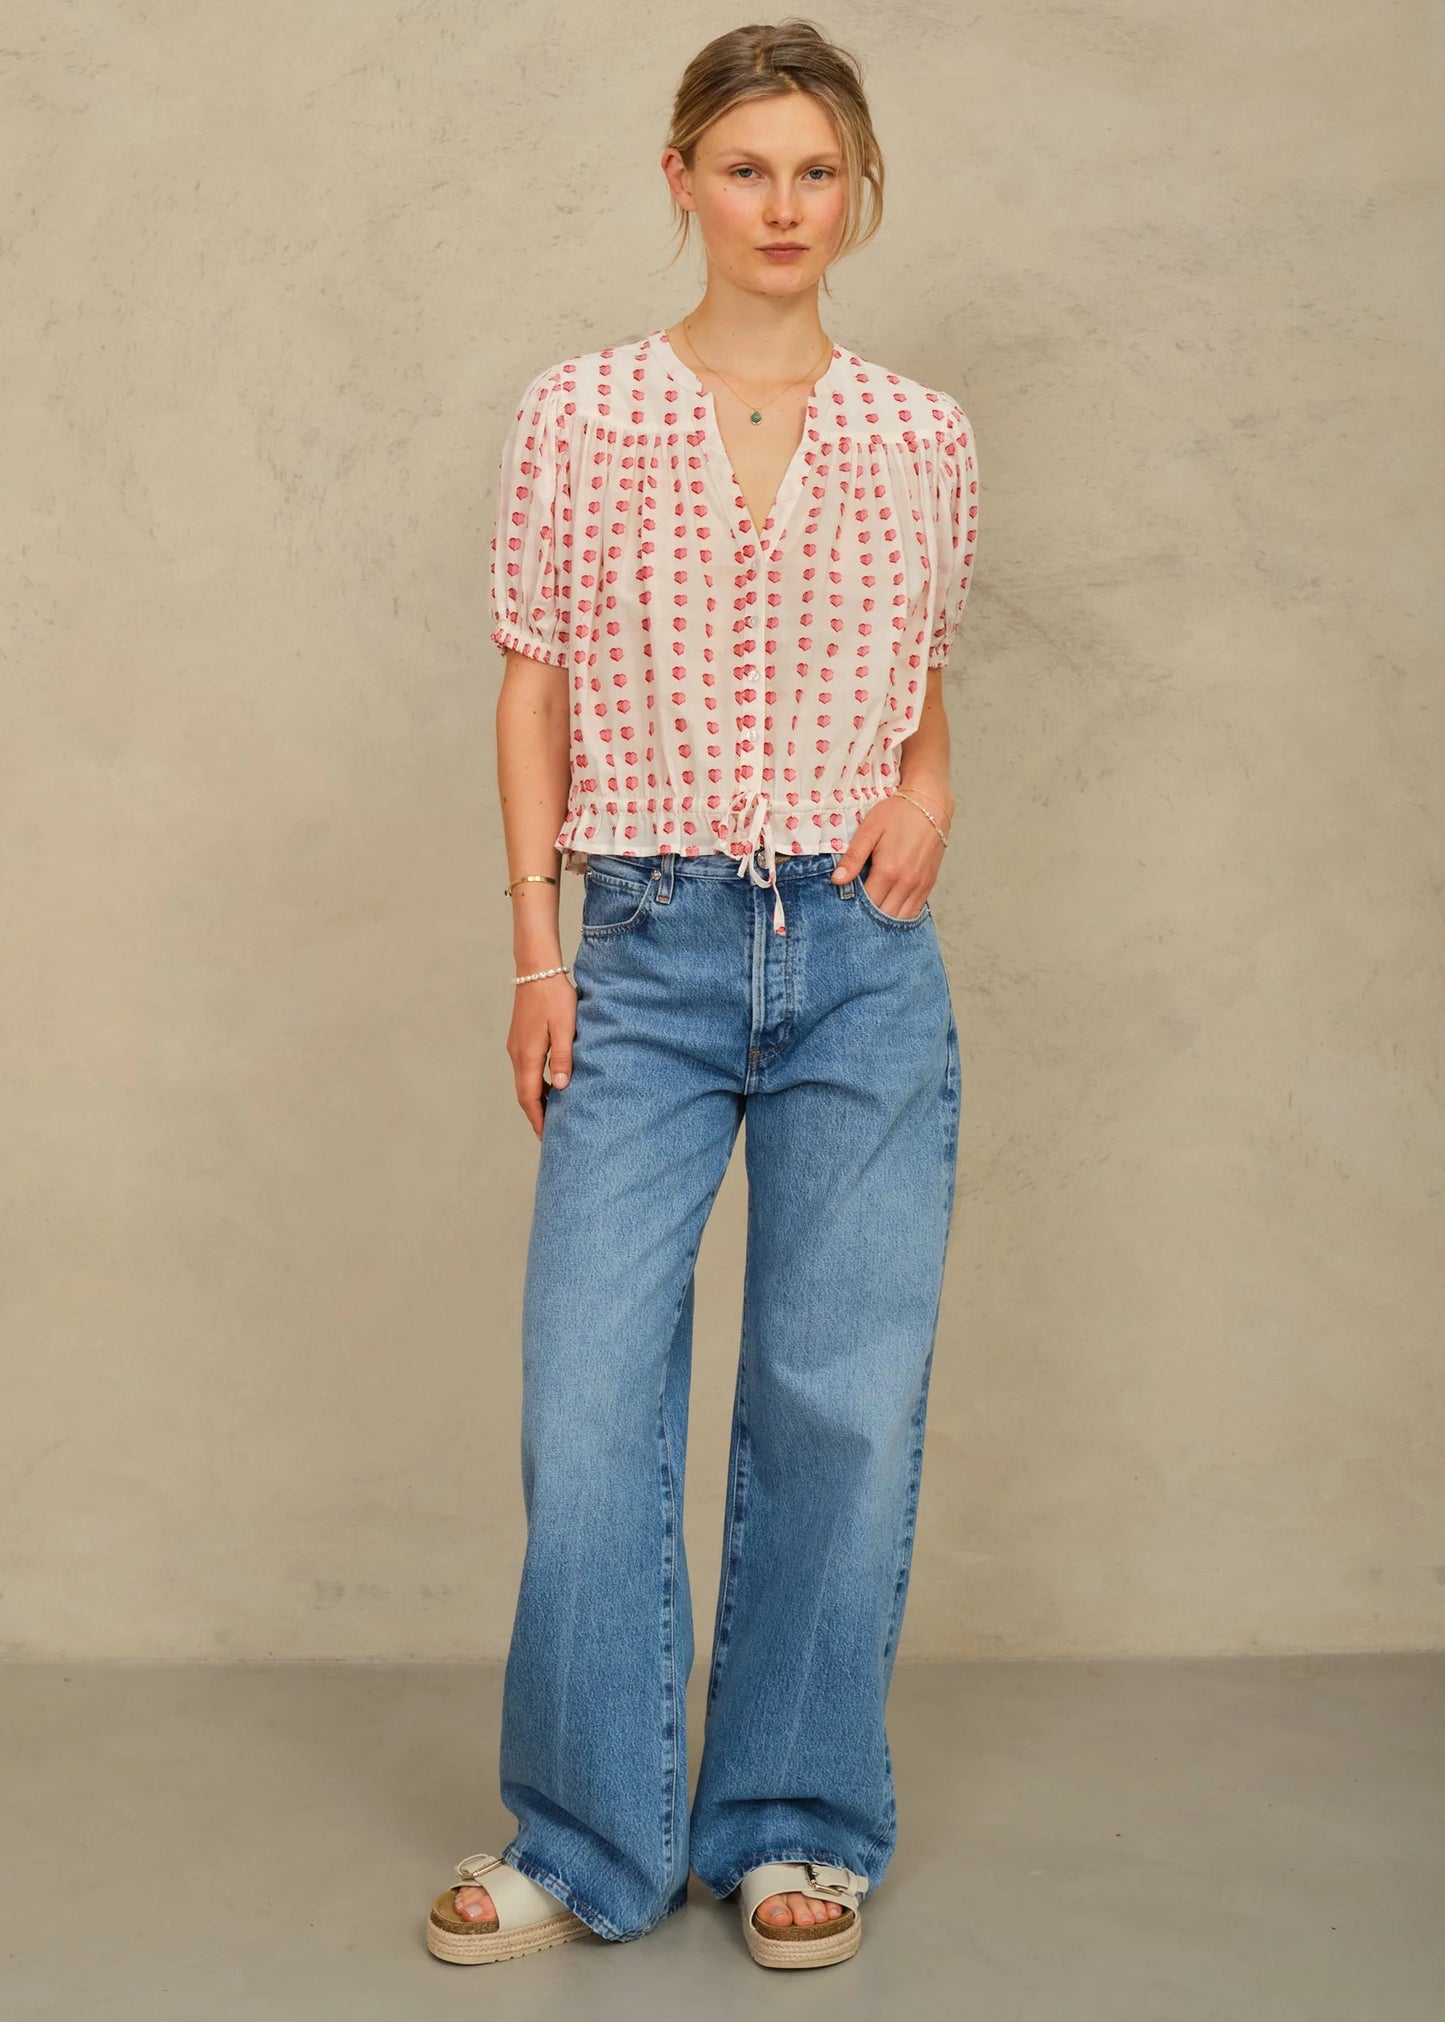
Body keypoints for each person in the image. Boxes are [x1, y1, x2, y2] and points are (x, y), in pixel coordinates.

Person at [424, 18, 978, 1974]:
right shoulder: (578, 412)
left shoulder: (922, 432)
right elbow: (530, 687)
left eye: (816, 173)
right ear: (682, 179)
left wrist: (927, 785)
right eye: (748, 169)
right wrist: (536, 949)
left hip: (857, 970)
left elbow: (921, 675)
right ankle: (584, 1838)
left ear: (856, 192)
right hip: (644, 954)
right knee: (590, 1410)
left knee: (839, 1410)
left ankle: (792, 1821)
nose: (783, 208)